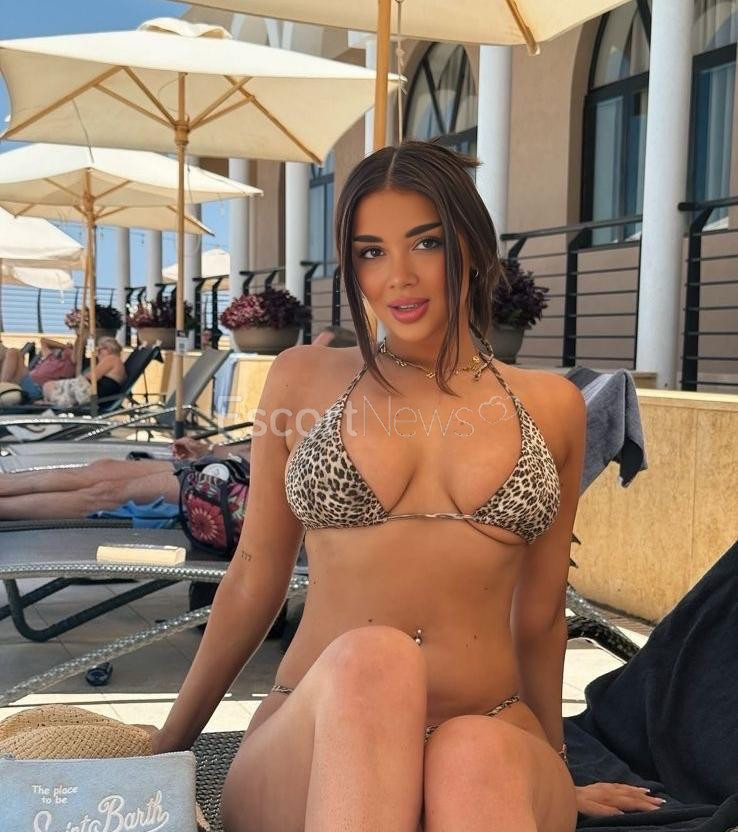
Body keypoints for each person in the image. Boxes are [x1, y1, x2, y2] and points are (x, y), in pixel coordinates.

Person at [148, 141, 662, 831]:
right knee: (375, 657)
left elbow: (540, 618)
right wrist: (167, 747)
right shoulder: (304, 379)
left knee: (475, 752)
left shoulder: (552, 406)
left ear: (471, 245)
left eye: (426, 243)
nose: (399, 277)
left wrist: (551, 770)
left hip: (489, 724)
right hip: (321, 733)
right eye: (371, 252)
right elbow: (253, 577)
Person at [0, 435, 251, 520]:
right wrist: (204, 450)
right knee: (100, 469)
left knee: (107, 493)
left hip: (235, 487)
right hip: (215, 464)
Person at [0, 336, 75, 402]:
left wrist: (71, 348)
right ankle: (3, 388)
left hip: (37, 389)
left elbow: (77, 351)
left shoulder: (69, 364)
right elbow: (43, 340)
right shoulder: (50, 357)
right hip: (27, 381)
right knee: (5, 355)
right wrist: (65, 346)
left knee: (13, 352)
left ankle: (2, 388)